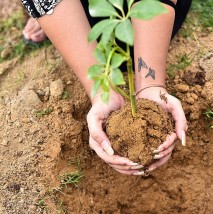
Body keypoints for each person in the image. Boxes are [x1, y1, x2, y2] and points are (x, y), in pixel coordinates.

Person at [21, 0, 192, 176]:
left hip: (146, 8)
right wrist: (103, 92)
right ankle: (49, 14)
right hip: (93, 18)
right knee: (47, 7)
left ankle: (48, 15)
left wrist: (151, 84)